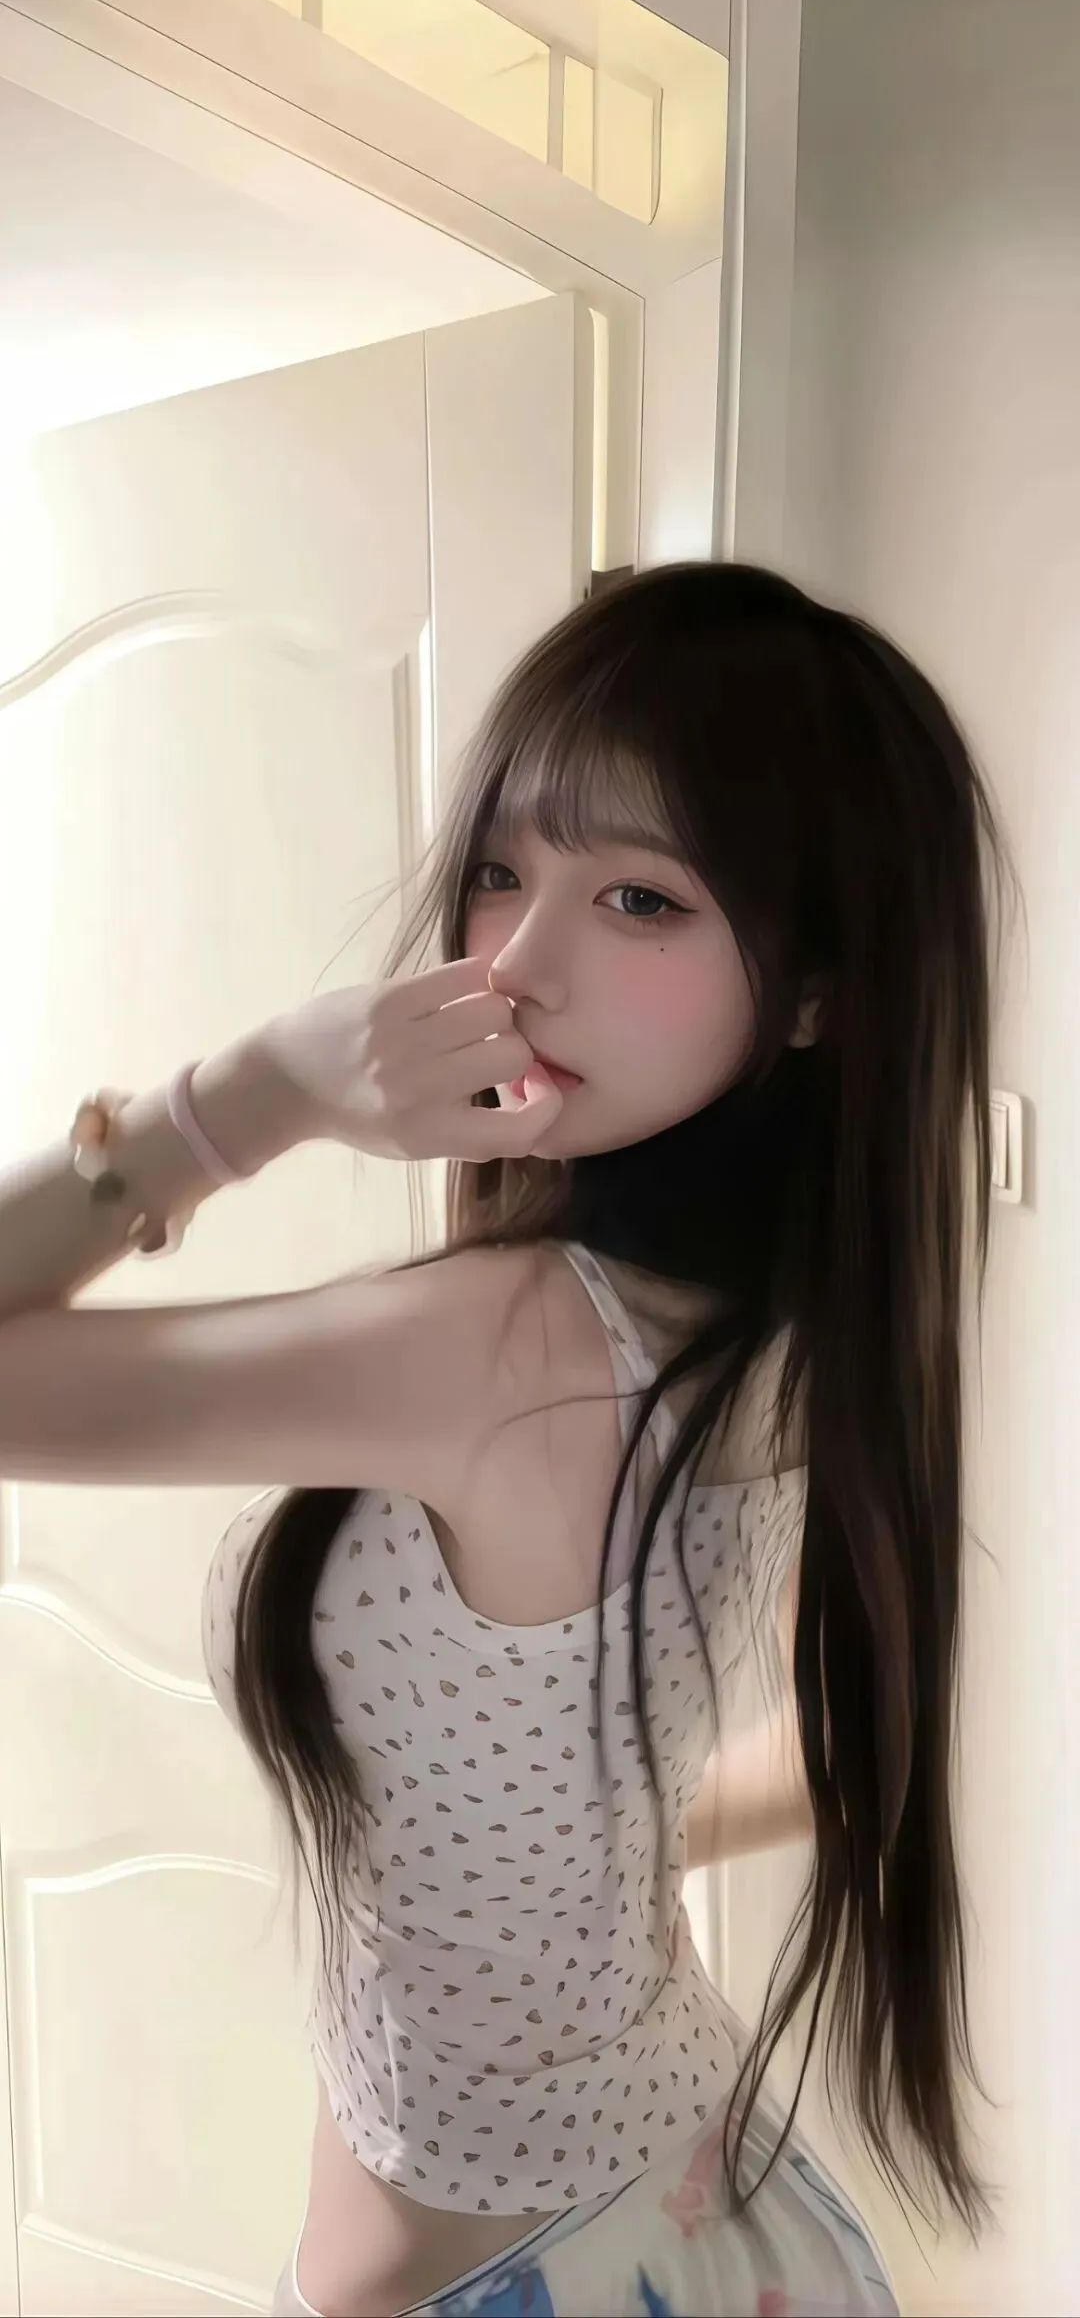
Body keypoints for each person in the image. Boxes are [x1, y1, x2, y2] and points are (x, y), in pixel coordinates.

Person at [0, 563, 1008, 2318]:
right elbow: (790, 1754)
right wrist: (553, 1860)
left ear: (813, 994)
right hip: (697, 2199)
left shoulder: (510, 1346)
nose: (517, 965)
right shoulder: (789, 1325)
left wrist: (250, 1093)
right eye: (499, 870)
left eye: (639, 896)